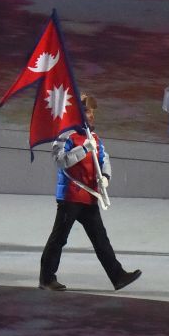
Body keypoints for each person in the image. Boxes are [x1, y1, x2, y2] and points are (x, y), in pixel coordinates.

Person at [39, 94, 142, 291]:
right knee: (59, 238)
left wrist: (105, 176)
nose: (91, 115)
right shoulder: (65, 136)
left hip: (89, 196)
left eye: (92, 111)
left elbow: (104, 158)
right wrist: (84, 149)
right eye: (87, 111)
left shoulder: (93, 137)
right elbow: (60, 161)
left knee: (100, 239)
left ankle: (117, 276)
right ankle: (46, 278)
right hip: (70, 196)